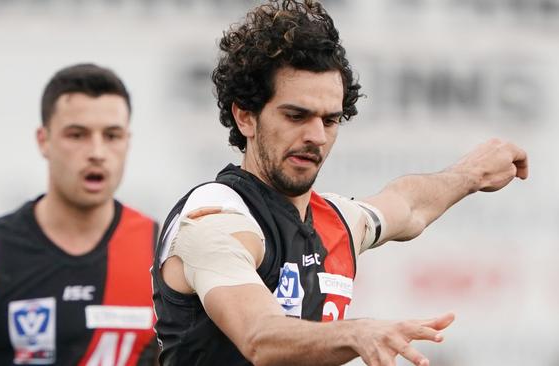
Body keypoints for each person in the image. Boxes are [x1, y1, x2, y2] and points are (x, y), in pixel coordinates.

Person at [151, 1, 529, 365]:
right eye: (296, 115)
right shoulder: (214, 218)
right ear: (245, 117)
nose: (316, 135)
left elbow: (408, 206)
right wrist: (356, 333)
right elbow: (259, 337)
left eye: (329, 120)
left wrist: (472, 174)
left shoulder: (334, 221)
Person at [0, 64, 158, 365]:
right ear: (43, 140)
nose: (97, 152)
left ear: (128, 141)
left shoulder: (162, 254)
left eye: (112, 135)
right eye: (77, 135)